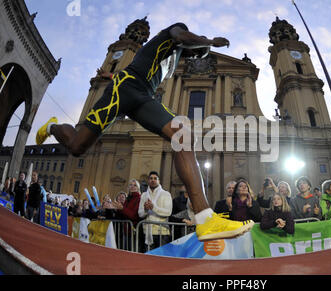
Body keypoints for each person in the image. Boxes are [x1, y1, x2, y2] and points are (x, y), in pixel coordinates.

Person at [35, 20, 252, 242]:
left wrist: (109, 76)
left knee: (183, 134)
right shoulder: (173, 33)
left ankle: (206, 219)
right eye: (197, 54)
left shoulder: (173, 58)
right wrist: (209, 41)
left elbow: (156, 61)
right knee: (76, 147)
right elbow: (179, 38)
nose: (196, 57)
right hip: (125, 88)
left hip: (143, 98)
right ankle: (52, 126)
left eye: (199, 56)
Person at [138, 171, 173, 251]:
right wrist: (146, 210)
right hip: (148, 232)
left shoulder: (166, 194)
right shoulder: (144, 195)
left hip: (162, 232)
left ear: (159, 181)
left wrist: (153, 208)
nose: (153, 180)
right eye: (151, 178)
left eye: (155, 178)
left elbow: (168, 212)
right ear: (148, 181)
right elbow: (140, 214)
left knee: (162, 258)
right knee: (149, 259)